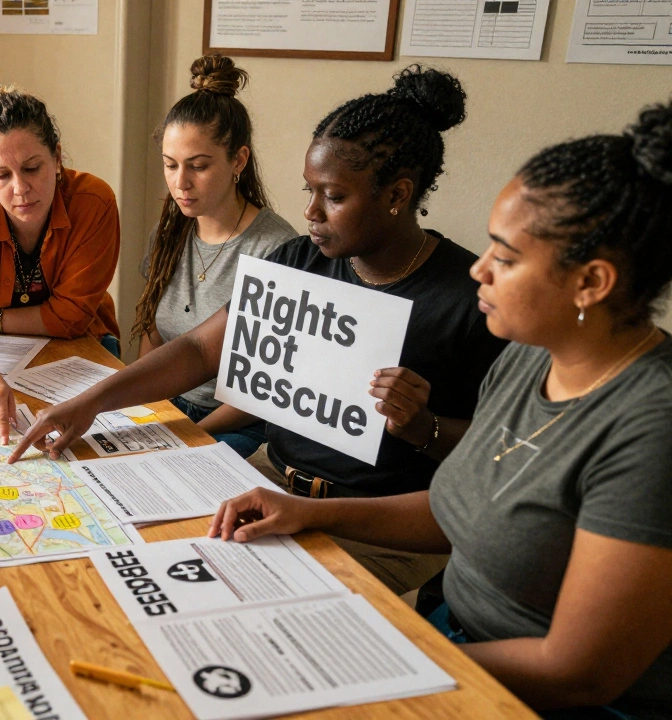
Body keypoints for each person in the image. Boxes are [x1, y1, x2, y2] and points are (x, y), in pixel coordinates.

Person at [208, 101, 672, 719]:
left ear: (591, 283)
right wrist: (308, 512)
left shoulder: (652, 429)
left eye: (505, 259)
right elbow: (456, 505)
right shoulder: (532, 358)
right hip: (456, 636)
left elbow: (578, 674)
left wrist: (386, 647)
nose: (479, 268)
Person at [12, 66, 507, 596]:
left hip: (378, 529)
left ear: (397, 194)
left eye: (334, 197)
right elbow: (202, 347)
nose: (310, 212)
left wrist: (423, 427)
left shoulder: (469, 301)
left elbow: (498, 463)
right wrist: (92, 401)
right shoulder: (302, 260)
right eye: (309, 190)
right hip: (269, 480)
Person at [0, 86, 121, 444]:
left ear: (57, 157)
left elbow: (71, 317)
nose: (20, 188)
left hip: (84, 346)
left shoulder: (94, 201)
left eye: (32, 168)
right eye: (2, 175)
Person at [135, 54, 297, 459]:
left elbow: (264, 388)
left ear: (238, 160)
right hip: (171, 406)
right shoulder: (170, 233)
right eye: (170, 166)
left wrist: (188, 436)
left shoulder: (276, 249)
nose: (180, 183)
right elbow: (152, 336)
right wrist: (142, 410)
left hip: (236, 421)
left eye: (199, 166)